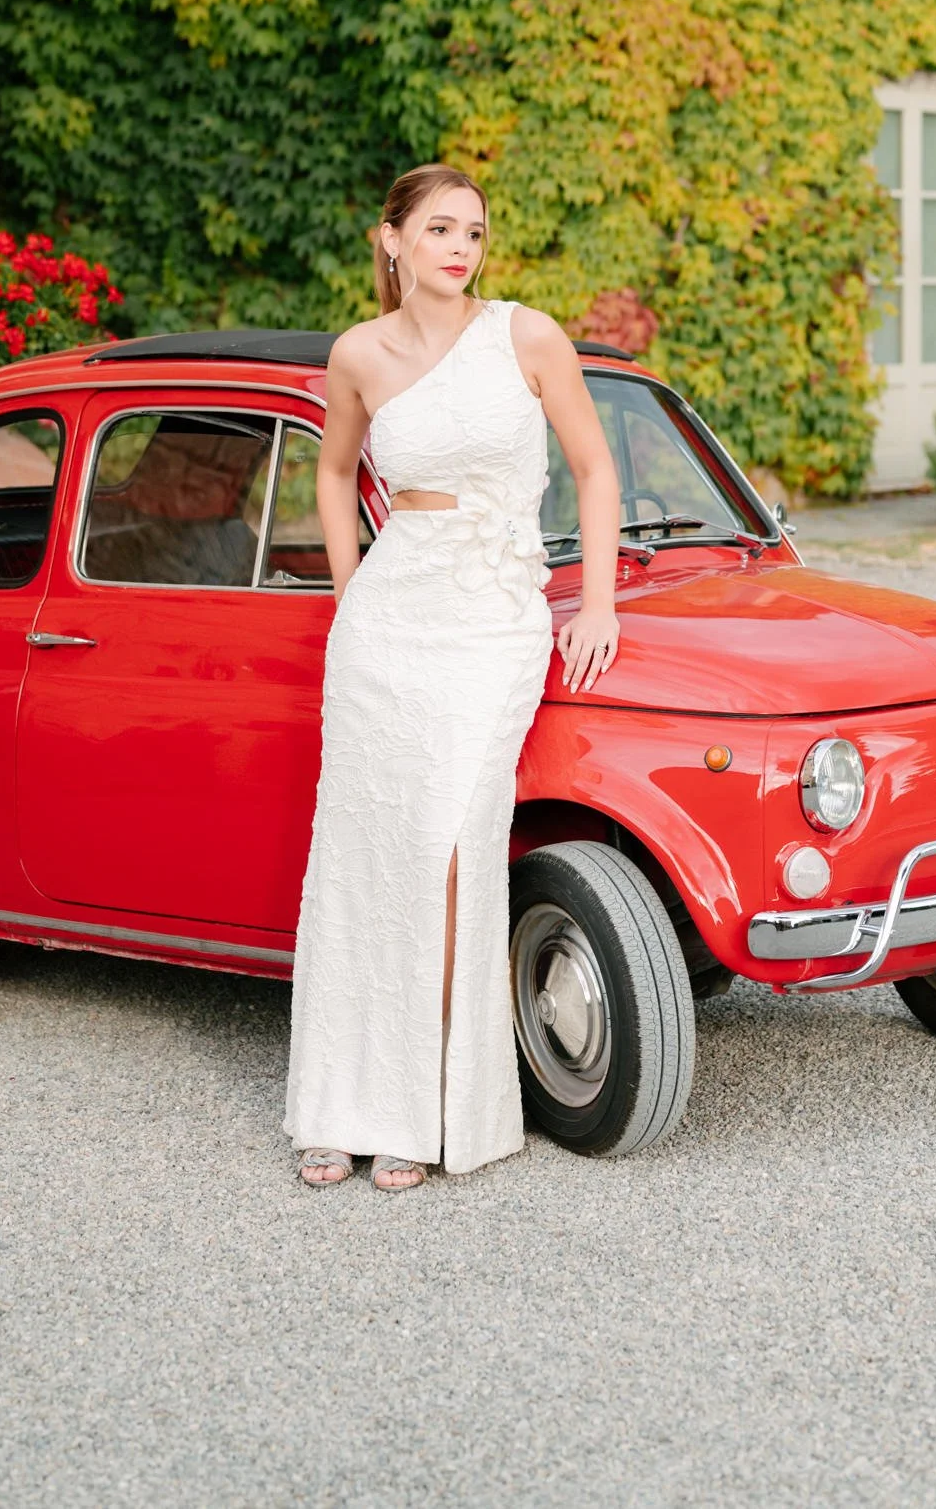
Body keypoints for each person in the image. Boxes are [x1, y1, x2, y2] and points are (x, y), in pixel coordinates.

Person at [284, 163, 622, 1189]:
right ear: (390, 239)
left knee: (447, 846)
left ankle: (428, 1109)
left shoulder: (527, 335)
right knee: (361, 855)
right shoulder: (358, 354)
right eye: (438, 228)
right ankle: (345, 1104)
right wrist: (352, 595)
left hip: (491, 623)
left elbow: (596, 469)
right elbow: (334, 473)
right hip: (387, 625)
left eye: (473, 231)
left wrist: (595, 602)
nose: (460, 247)